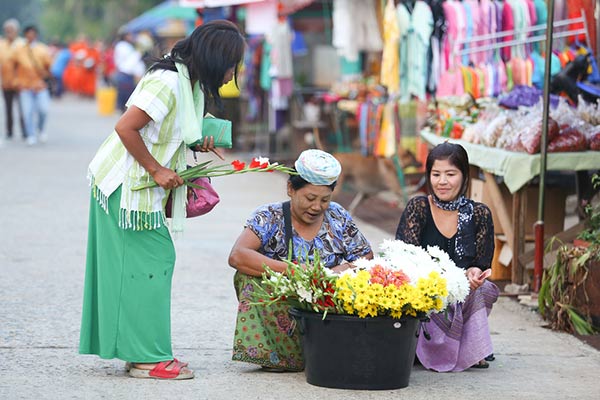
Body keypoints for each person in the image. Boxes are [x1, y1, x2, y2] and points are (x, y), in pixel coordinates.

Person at [79, 20, 246, 380]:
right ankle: (147, 359)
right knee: (153, 261)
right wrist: (156, 169)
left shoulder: (189, 84)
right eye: (231, 63)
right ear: (215, 57)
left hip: (137, 186)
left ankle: (138, 351)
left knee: (139, 267)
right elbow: (125, 127)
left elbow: (164, 129)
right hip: (124, 186)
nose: (233, 73)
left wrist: (195, 140)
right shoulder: (168, 81)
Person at [228, 149, 374, 371]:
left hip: (327, 308)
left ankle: (330, 349)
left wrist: (340, 270)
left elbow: (366, 257)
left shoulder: (338, 216)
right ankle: (279, 355)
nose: (317, 207)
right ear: (290, 189)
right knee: (247, 276)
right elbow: (238, 255)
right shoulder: (269, 216)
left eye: (325, 199)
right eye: (310, 198)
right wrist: (293, 271)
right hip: (284, 309)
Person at [395, 142, 499, 372]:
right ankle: (427, 347)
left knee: (483, 289)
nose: (442, 181)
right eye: (436, 174)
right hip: (426, 290)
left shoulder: (478, 214)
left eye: (450, 174)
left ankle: (473, 349)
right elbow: (404, 258)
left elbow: (480, 263)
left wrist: (473, 273)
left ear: (464, 176)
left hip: (461, 292)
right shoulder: (418, 207)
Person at [11, 25, 52, 145]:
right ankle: (31, 134)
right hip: (25, 86)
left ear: (36, 35)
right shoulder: (19, 50)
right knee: (27, 112)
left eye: (32, 34)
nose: (30, 36)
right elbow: (13, 66)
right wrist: (16, 81)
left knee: (44, 110)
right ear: (25, 35)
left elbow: (49, 66)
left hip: (40, 85)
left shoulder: (42, 49)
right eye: (28, 34)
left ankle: (41, 128)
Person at [0, 18, 25, 141]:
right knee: (8, 108)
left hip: (21, 83)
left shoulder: (22, 44)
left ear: (17, 31)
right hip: (6, 82)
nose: (9, 33)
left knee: (23, 108)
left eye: (11, 30)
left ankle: (26, 130)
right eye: (7, 30)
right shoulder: (1, 45)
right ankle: (9, 131)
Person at [113, 32, 146, 112]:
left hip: (125, 73)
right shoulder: (123, 46)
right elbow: (131, 62)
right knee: (126, 96)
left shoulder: (126, 47)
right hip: (125, 73)